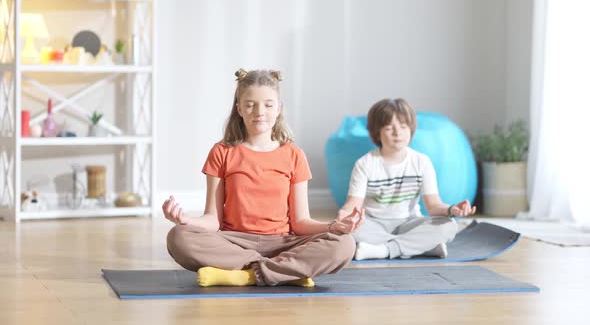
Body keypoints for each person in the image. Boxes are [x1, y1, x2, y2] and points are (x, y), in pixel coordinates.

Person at [164, 68, 364, 287]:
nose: (259, 112)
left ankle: (246, 275)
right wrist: (186, 220)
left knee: (345, 244)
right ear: (239, 108)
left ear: (278, 108)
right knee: (178, 237)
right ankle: (285, 271)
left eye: (268, 105)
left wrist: (334, 227)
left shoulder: (294, 155)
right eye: (250, 104)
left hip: (284, 242)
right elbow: (213, 219)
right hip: (234, 242)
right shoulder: (222, 151)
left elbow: (300, 223)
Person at [338, 98, 475, 261]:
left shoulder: (421, 162)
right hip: (373, 224)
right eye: (389, 128)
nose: (398, 133)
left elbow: (434, 206)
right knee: (350, 231)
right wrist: (344, 215)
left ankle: (382, 251)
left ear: (411, 129)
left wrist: (452, 209)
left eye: (403, 127)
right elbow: (353, 204)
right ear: (377, 133)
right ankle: (423, 248)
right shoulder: (365, 164)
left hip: (409, 224)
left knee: (449, 226)